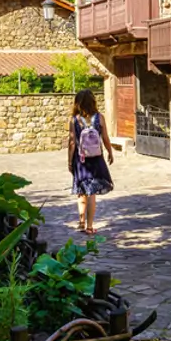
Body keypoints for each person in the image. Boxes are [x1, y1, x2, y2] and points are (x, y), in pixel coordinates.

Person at [68, 89, 114, 233]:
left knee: (81, 191)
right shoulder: (99, 118)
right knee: (91, 193)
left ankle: (81, 222)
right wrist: (110, 152)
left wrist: (69, 161)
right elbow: (105, 137)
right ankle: (89, 226)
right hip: (96, 159)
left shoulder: (74, 119)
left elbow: (72, 142)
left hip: (80, 160)